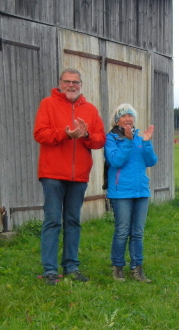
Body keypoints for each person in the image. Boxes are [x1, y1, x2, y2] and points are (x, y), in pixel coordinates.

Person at [33, 69, 105, 285]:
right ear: (60, 83)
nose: (71, 85)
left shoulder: (90, 110)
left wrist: (86, 135)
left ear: (81, 85)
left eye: (75, 82)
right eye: (67, 81)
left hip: (79, 176)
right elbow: (40, 134)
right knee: (53, 220)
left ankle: (71, 266)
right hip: (53, 174)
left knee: (73, 221)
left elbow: (100, 140)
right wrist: (65, 134)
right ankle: (50, 270)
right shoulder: (48, 104)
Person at [105, 104, 158, 283]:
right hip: (121, 192)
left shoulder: (141, 136)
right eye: (123, 116)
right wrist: (127, 142)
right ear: (117, 120)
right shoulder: (111, 138)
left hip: (141, 191)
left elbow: (151, 161)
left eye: (131, 115)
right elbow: (115, 161)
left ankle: (137, 268)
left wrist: (147, 143)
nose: (128, 119)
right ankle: (118, 267)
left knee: (138, 232)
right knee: (122, 231)